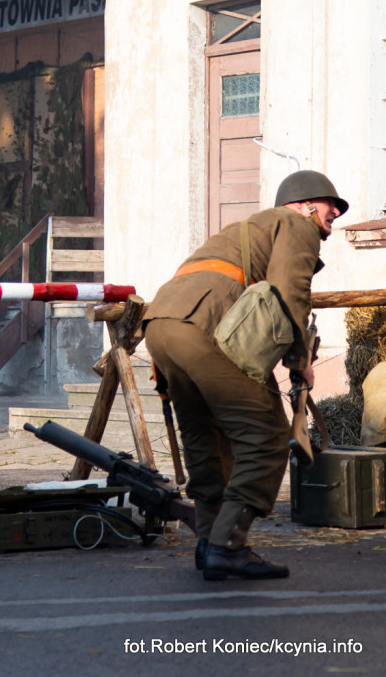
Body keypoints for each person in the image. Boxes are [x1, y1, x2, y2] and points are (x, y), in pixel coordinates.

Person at [143, 170, 348, 580]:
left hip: (161, 325)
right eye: (330, 206)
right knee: (268, 432)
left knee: (207, 436)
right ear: (304, 204)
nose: (335, 216)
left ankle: (208, 542)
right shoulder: (294, 224)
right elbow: (291, 292)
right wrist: (298, 360)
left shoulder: (246, 230)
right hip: (203, 328)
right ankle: (228, 545)